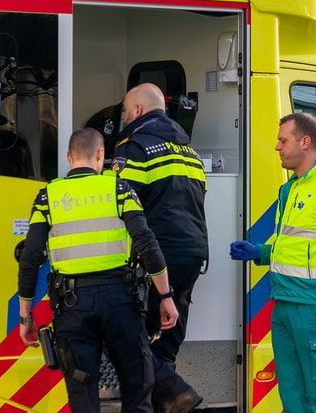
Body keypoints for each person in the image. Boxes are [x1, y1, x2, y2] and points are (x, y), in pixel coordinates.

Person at [17, 127, 179, 412]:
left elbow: (31, 257)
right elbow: (147, 244)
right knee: (137, 385)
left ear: (69, 157)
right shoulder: (118, 188)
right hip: (120, 301)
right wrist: (166, 296)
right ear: (101, 155)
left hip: (72, 306)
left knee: (82, 392)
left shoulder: (48, 196)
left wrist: (24, 314)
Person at [230, 112, 316, 413]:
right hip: (285, 302)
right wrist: (260, 252)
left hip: (315, 307)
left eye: (282, 140)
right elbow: (289, 243)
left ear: (304, 142)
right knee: (292, 393)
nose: (277, 147)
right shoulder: (290, 188)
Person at [113, 83, 208, 411]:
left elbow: (122, 204)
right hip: (193, 255)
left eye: (125, 111)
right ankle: (169, 398)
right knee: (164, 346)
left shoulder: (134, 145)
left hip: (157, 259)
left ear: (137, 111)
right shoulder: (188, 150)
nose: (123, 118)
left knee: (130, 343)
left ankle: (175, 391)